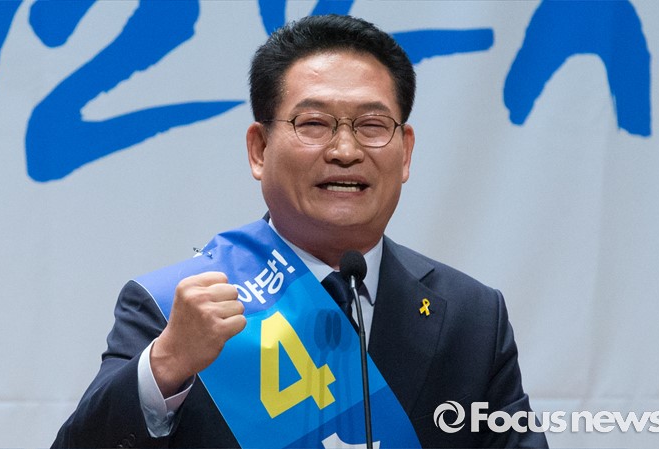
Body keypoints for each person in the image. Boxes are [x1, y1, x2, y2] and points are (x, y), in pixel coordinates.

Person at [52, 14, 548, 449]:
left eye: (372, 125)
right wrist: (166, 363)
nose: (345, 151)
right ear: (259, 149)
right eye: (314, 124)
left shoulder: (472, 316)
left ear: (406, 153)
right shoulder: (172, 309)